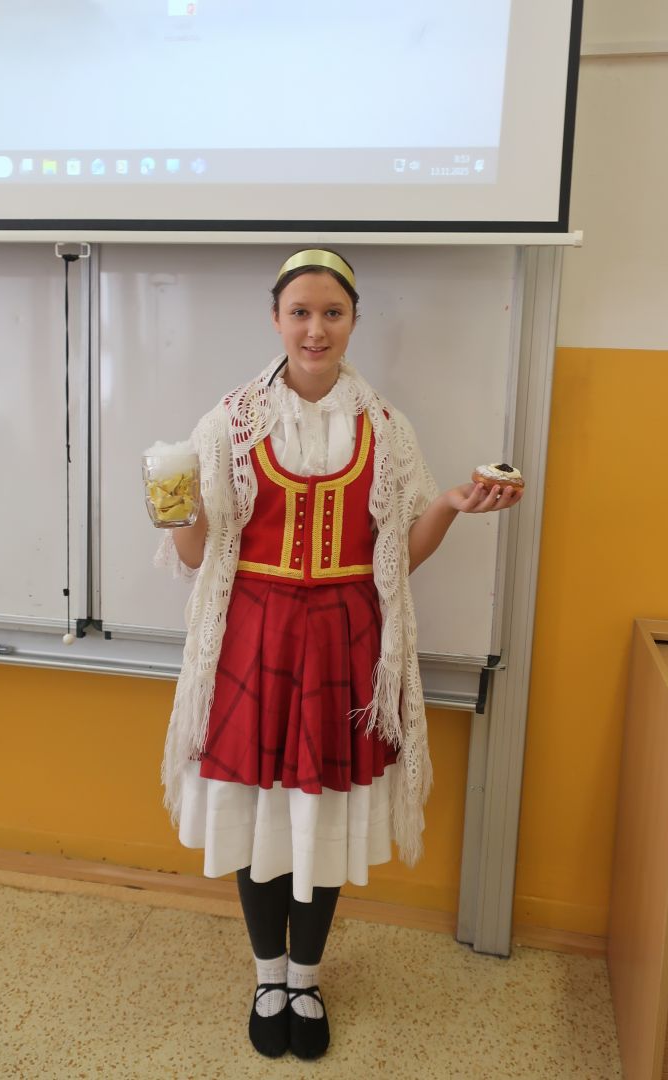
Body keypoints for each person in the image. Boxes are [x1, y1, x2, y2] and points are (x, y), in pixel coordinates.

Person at [153, 248, 523, 1060]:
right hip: (252, 637)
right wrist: (175, 510)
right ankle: (267, 976)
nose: (315, 329)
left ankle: (306, 978)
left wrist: (451, 504)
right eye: (300, 312)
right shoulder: (227, 424)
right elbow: (196, 556)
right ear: (275, 319)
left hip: (345, 646)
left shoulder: (386, 430)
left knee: (317, 818)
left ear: (354, 321)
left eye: (332, 313)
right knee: (258, 818)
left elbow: (398, 557)